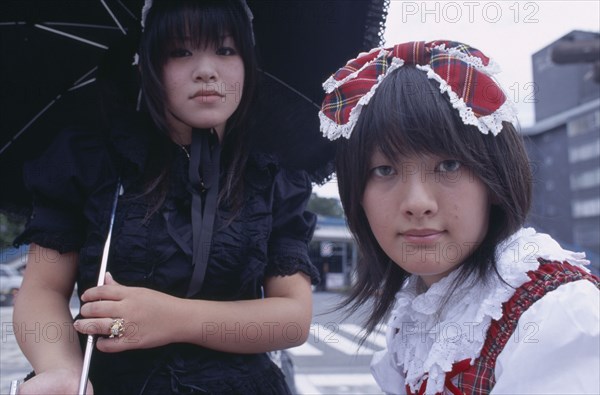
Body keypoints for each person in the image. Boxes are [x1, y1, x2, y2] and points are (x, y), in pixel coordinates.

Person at [13, 1, 322, 394]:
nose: (207, 69)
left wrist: (174, 318)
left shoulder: (273, 175)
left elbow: (293, 316)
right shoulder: (93, 162)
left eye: (226, 50)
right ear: (147, 67)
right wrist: (60, 369)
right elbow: (43, 288)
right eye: (181, 51)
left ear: (248, 63)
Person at [319, 41, 600, 394]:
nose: (417, 203)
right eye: (385, 170)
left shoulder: (555, 315)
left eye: (448, 165)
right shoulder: (419, 308)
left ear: (494, 180)